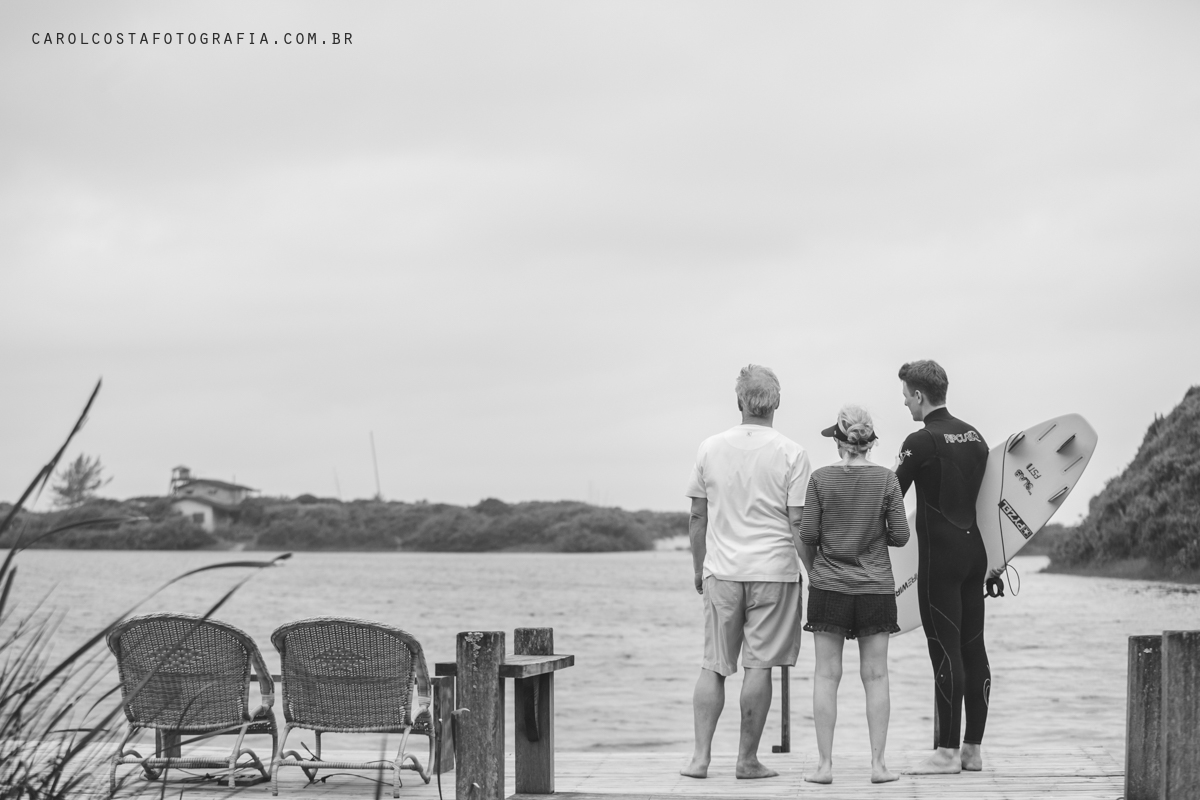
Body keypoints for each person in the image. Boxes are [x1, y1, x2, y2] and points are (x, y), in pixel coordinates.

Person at [681, 364, 811, 780]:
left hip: (721, 570)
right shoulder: (793, 453)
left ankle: (700, 759)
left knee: (713, 665)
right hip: (774, 571)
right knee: (759, 667)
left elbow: (697, 516)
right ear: (776, 403)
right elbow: (797, 523)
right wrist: (814, 571)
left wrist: (700, 568)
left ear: (739, 402)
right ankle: (746, 760)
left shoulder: (709, 448)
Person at [799, 405, 909, 785]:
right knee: (876, 676)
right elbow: (901, 536)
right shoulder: (887, 481)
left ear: (839, 442)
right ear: (869, 442)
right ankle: (878, 766)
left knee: (826, 676)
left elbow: (808, 535)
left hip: (828, 586)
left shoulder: (819, 480)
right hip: (876, 587)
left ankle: (825, 766)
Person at [894, 359, 990, 774]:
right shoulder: (975, 436)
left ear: (919, 394)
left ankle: (947, 753)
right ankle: (972, 750)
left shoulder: (921, 440)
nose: (905, 405)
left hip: (941, 560)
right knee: (974, 649)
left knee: (944, 651)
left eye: (905, 397)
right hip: (976, 553)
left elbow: (890, 496)